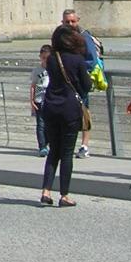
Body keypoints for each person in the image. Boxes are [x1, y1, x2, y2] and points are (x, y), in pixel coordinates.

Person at [40, 24, 91, 207]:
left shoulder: (53, 58)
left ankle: (46, 191)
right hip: (69, 109)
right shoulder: (77, 59)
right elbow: (86, 86)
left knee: (53, 151)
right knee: (67, 153)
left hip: (51, 107)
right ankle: (64, 195)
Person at [60, 8, 102, 158]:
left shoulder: (84, 37)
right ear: (62, 22)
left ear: (78, 21)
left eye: (73, 21)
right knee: (65, 113)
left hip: (79, 81)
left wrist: (80, 73)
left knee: (83, 112)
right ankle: (66, 143)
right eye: (67, 21)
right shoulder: (60, 36)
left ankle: (84, 146)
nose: (70, 24)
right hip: (64, 81)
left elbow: (92, 60)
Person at [29, 45, 51, 156]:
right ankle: (42, 146)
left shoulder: (55, 69)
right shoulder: (37, 70)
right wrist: (31, 101)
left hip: (52, 101)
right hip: (39, 100)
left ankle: (51, 144)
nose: (45, 60)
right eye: (43, 58)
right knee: (41, 124)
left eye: (47, 58)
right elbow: (33, 86)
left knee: (52, 124)